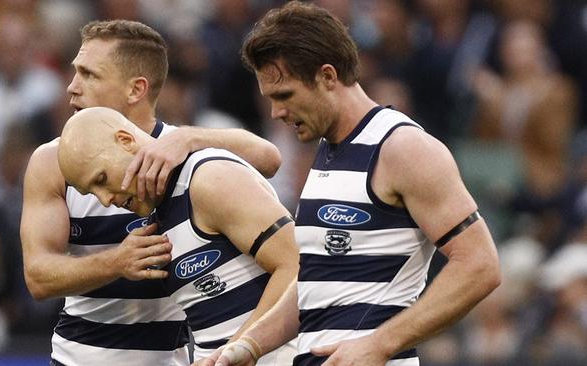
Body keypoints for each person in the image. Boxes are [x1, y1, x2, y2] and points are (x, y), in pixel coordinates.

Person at [201, 2, 501, 365]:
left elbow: (480, 264)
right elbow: (316, 285)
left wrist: (382, 343)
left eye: (284, 95)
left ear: (328, 76)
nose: (276, 113)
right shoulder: (329, 151)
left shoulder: (401, 147)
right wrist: (246, 347)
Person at [20, 20, 281, 366]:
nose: (71, 87)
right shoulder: (52, 161)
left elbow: (268, 158)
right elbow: (37, 276)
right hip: (77, 356)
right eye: (75, 73)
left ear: (136, 89)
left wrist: (190, 138)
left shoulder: (180, 154)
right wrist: (117, 262)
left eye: (89, 75)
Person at [57, 106, 299, 365]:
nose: (105, 200)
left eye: (102, 178)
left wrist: (241, 349)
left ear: (125, 141)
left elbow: (299, 264)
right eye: (91, 193)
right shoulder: (159, 212)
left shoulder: (206, 178)